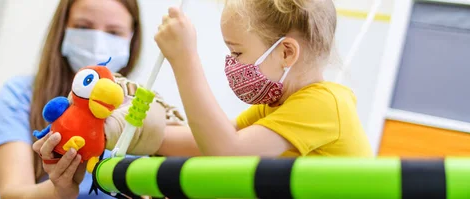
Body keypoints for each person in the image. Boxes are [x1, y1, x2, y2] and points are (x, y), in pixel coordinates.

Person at [0, 0, 185, 198]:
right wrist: (59, 191)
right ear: (63, 29)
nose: (98, 41)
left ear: (132, 39)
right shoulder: (20, 94)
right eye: (84, 27)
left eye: (113, 32)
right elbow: (13, 193)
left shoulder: (140, 108)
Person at [152, 0, 373, 157]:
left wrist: (184, 59)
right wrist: (139, 134)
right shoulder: (278, 106)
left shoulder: (324, 104)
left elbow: (227, 152)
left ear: (286, 53)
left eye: (237, 53)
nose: (231, 63)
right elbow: (208, 140)